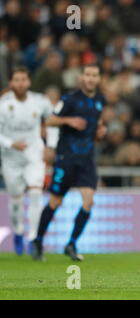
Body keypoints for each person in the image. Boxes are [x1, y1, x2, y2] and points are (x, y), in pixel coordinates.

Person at [31, 64, 107, 261]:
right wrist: (69, 121)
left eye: (94, 75)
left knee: (88, 201)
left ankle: (71, 244)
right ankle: (38, 240)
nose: (90, 78)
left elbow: (94, 129)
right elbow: (49, 120)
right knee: (56, 201)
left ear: (98, 79)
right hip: (66, 159)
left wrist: (99, 133)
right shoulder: (69, 99)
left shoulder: (100, 100)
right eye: (87, 74)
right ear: (82, 77)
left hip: (87, 159)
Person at [0, 66, 53, 255]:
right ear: (11, 83)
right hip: (10, 157)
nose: (20, 83)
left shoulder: (40, 102)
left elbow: (53, 121)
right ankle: (18, 232)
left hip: (34, 154)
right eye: (17, 80)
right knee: (16, 200)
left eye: (24, 79)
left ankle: (33, 238)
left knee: (36, 193)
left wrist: (50, 146)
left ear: (29, 82)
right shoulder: (3, 104)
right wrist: (10, 143)